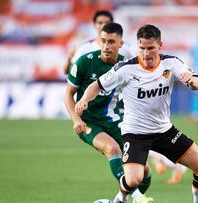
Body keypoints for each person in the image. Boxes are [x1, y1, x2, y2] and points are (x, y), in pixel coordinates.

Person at [76, 24, 198, 203]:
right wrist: (84, 100)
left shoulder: (171, 63)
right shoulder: (125, 69)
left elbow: (195, 82)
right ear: (137, 45)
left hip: (164, 131)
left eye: (151, 48)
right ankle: (120, 199)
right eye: (142, 48)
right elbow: (96, 86)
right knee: (134, 179)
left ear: (160, 45)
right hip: (135, 135)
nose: (146, 53)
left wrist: (192, 81)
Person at [64, 22, 152, 203]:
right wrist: (75, 119)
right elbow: (68, 95)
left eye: (111, 42)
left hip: (113, 120)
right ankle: (137, 197)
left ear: (121, 44)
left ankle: (119, 200)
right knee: (113, 149)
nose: (106, 46)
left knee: (144, 171)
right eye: (102, 41)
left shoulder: (125, 66)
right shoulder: (84, 62)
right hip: (87, 122)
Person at [64, 10, 135, 75]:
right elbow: (68, 72)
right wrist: (69, 57)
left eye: (107, 22)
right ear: (94, 25)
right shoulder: (85, 48)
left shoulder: (126, 48)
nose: (103, 25)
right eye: (100, 23)